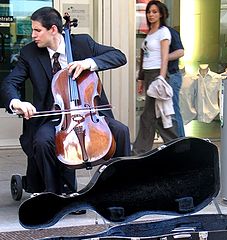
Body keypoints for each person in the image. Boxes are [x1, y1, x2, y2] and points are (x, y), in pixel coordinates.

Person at [0, 7, 131, 195]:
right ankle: (54, 194)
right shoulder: (29, 53)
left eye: (37, 30)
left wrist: (88, 63)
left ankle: (120, 189)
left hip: (89, 114)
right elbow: (10, 83)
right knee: (43, 141)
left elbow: (119, 56)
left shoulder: (82, 43)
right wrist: (17, 102)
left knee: (121, 131)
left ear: (53, 29)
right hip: (53, 117)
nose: (33, 35)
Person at [132, 0, 178, 155]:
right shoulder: (149, 33)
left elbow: (164, 57)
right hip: (149, 75)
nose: (151, 15)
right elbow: (144, 57)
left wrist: (162, 78)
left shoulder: (164, 32)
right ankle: (176, 147)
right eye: (149, 12)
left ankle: (139, 151)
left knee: (150, 115)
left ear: (161, 14)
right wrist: (140, 79)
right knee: (157, 115)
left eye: (154, 12)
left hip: (158, 75)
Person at [164, 5, 185, 137]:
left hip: (171, 75)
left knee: (173, 111)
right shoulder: (152, 35)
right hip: (161, 77)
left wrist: (164, 58)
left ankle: (182, 142)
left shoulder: (170, 32)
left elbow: (180, 51)